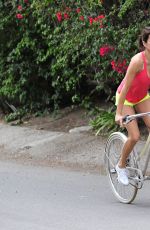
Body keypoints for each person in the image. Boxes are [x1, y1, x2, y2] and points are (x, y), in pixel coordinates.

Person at [115, 26, 150, 185]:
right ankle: (121, 165)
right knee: (135, 136)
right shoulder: (137, 61)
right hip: (126, 98)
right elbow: (126, 88)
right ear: (144, 42)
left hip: (142, 97)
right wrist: (118, 113)